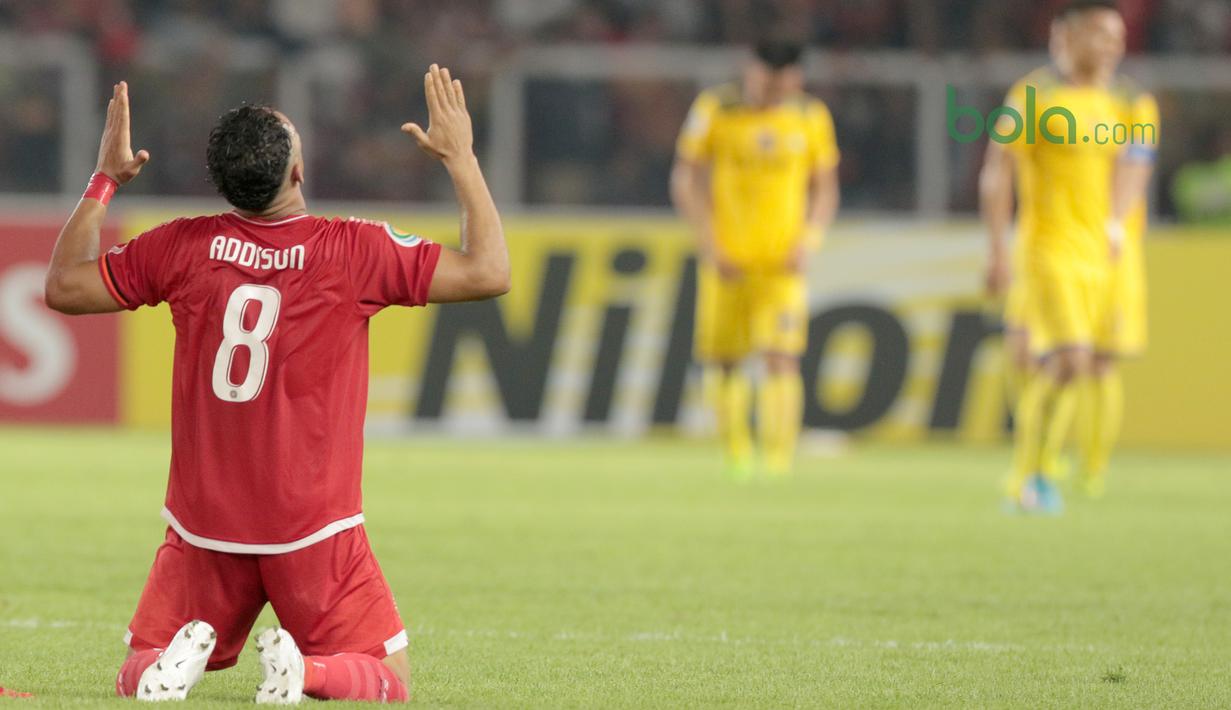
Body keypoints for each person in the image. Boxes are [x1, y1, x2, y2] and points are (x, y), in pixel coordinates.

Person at [43, 65, 508, 703]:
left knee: (141, 663)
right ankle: (306, 674)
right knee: (389, 681)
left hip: (204, 523)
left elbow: (64, 286)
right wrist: (461, 157)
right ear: (297, 173)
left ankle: (161, 669)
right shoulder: (352, 251)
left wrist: (105, 179)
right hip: (313, 526)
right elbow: (488, 271)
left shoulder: (182, 247)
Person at [981, 0, 1157, 512]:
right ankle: (1029, 474)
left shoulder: (1132, 100)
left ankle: (1084, 472)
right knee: (1068, 360)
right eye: (1101, 34)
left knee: (1100, 361)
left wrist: (1116, 223)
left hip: (1110, 250)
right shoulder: (1035, 95)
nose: (1113, 45)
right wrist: (997, 246)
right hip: (1050, 248)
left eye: (1118, 36)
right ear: (1067, 35)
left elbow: (1137, 163)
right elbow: (998, 172)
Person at [670, 39, 840, 479]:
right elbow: (685, 178)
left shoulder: (810, 116)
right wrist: (710, 245)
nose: (775, 95)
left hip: (782, 263)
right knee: (725, 361)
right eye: (768, 85)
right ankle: (737, 457)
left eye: (784, 86)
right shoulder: (715, 109)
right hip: (728, 259)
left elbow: (825, 186)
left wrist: (811, 240)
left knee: (781, 357)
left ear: (797, 79)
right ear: (752, 72)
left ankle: (778, 464)